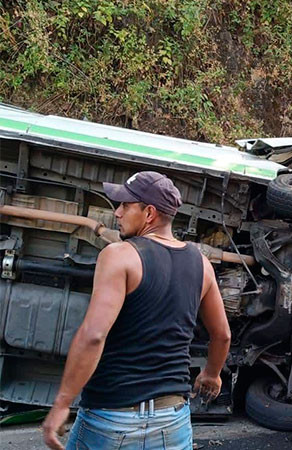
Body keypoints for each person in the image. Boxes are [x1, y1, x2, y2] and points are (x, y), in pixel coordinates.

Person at [42, 171, 232, 450]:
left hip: (111, 417)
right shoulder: (201, 264)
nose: (117, 213)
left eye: (125, 205)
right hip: (172, 420)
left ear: (149, 213)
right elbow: (222, 334)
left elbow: (94, 335)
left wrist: (62, 403)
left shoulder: (119, 255)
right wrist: (212, 374)